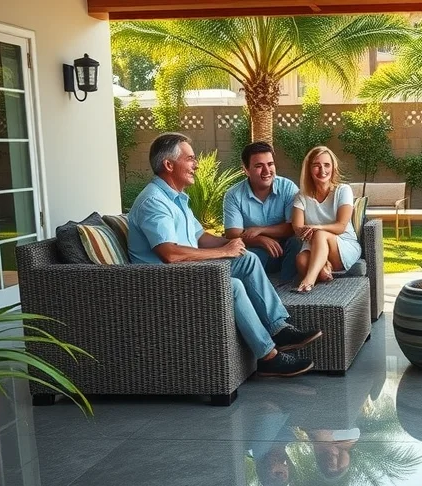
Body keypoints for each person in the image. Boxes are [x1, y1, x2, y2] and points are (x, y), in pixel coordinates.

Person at [128, 132, 322, 377]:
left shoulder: (176, 198)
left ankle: (279, 328)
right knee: (232, 286)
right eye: (190, 159)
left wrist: (235, 244)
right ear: (169, 165)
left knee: (248, 259)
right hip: (165, 281)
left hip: (188, 270)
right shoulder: (154, 202)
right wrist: (223, 250)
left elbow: (200, 238)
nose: (196, 165)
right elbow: (169, 254)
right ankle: (268, 357)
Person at [223, 142, 301, 282]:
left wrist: (259, 230)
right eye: (259, 166)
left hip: (286, 248)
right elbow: (233, 234)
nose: (267, 171)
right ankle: (261, 285)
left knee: (297, 243)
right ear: (246, 170)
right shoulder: (233, 195)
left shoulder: (288, 188)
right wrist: (260, 240)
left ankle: (286, 285)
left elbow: (293, 228)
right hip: (257, 250)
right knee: (248, 255)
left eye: (270, 164)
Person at [291, 146, 362, 293]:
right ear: (309, 169)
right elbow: (298, 228)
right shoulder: (301, 196)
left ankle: (308, 280)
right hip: (312, 246)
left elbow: (341, 226)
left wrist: (317, 228)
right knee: (300, 260)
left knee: (321, 234)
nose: (322, 170)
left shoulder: (343, 190)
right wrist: (313, 231)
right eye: (316, 166)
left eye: (326, 165)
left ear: (333, 168)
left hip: (343, 245)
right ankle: (323, 268)